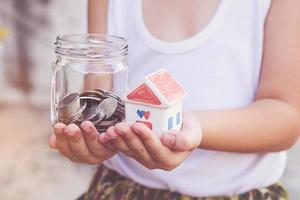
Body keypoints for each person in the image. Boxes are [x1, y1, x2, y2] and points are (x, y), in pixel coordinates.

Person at [49, 0, 300, 199]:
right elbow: (101, 106)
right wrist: (91, 144)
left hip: (240, 194)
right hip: (120, 190)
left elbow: (285, 116)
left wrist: (192, 128)